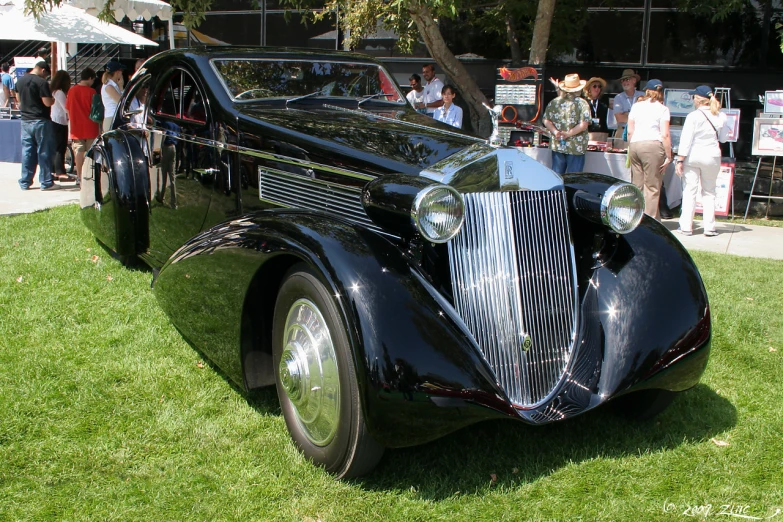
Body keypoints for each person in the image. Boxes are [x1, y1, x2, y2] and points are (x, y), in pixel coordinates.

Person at [676, 85, 730, 237]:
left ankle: (686, 226)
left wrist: (680, 159)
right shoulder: (721, 115)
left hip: (693, 156)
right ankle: (710, 227)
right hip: (712, 155)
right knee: (709, 192)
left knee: (689, 191)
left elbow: (686, 140)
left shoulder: (693, 116)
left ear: (698, 100)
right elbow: (724, 138)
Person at [627, 79, 672, 220]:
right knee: (652, 186)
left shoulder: (636, 106)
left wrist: (631, 146)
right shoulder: (663, 109)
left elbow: (630, 131)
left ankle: (634, 217)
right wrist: (669, 155)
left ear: (647, 90)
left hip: (635, 144)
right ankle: (649, 221)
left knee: (637, 185)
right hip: (653, 145)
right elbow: (665, 134)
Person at [15, 60, 57, 191]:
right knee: (44, 151)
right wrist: (53, 99)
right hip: (40, 121)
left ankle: (25, 181)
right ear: (43, 70)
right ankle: (45, 181)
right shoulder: (42, 83)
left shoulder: (20, 81)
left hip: (25, 120)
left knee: (27, 151)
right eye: (46, 74)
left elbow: (18, 99)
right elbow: (47, 103)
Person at [542, 73, 591, 174]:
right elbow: (584, 124)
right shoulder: (582, 103)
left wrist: (555, 132)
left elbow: (546, 120)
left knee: (557, 177)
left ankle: (558, 191)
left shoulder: (554, 102)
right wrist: (568, 134)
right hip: (576, 146)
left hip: (558, 143)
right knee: (574, 179)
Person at [66, 68, 100, 183]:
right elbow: (95, 110)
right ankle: (89, 175)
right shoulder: (92, 92)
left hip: (76, 126)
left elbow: (67, 108)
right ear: (90, 78)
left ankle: (79, 176)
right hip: (91, 126)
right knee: (91, 152)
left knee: (78, 152)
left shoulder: (71, 90)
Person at [50, 70, 74, 182]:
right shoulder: (59, 93)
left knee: (57, 147)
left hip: (56, 120)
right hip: (59, 121)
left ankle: (55, 169)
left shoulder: (54, 91)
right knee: (60, 147)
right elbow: (66, 107)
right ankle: (60, 171)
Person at [613, 69, 644, 139]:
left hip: (639, 132)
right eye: (622, 80)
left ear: (634, 80)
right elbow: (619, 118)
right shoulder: (618, 98)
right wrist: (637, 116)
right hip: (623, 131)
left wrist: (626, 114)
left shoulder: (643, 96)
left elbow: (646, 117)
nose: (624, 82)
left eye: (627, 79)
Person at [101, 60, 126, 132]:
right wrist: (121, 87)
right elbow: (121, 102)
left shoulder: (114, 85)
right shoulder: (109, 86)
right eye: (121, 71)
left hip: (115, 117)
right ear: (117, 72)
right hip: (111, 118)